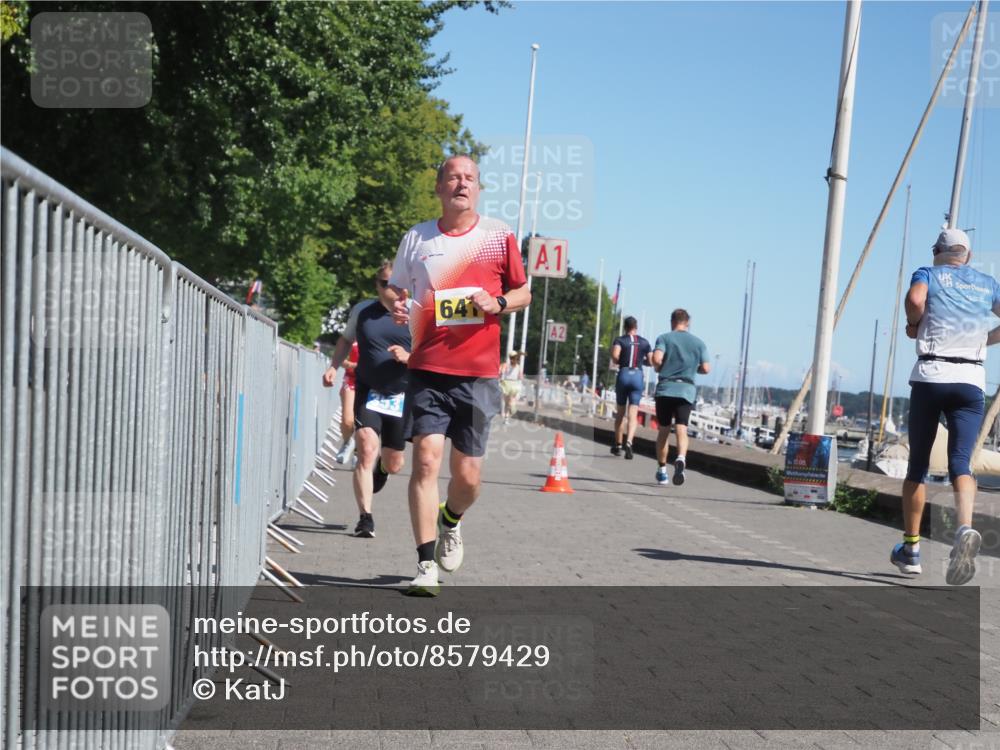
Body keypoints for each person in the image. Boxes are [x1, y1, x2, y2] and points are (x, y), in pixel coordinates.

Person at [390, 154, 531, 596]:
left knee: (468, 477)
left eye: (469, 178)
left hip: (478, 373)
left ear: (479, 188)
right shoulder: (417, 238)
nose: (461, 184)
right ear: (438, 188)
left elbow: (524, 290)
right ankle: (425, 565)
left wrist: (501, 304)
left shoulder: (498, 235)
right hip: (427, 367)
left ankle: (451, 519)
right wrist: (397, 305)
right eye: (453, 177)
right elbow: (398, 289)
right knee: (427, 461)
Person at [890, 228, 1000, 585]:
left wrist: (913, 323)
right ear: (966, 255)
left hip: (931, 375)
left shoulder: (928, 273)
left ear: (938, 252)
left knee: (917, 466)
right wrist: (984, 339)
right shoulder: (988, 283)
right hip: (970, 381)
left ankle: (911, 551)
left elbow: (916, 299)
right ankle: (964, 527)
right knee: (960, 464)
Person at [322, 261, 411, 538]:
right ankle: (365, 518)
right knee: (365, 449)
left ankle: (383, 468)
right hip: (368, 390)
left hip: (402, 395)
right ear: (377, 286)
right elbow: (345, 341)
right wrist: (334, 366)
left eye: (397, 284)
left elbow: (434, 352)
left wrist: (410, 357)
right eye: (385, 284)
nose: (392, 290)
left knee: (394, 463)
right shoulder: (363, 311)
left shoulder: (418, 314)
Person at [651, 309, 710, 486]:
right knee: (681, 428)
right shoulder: (699, 343)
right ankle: (681, 458)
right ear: (688, 323)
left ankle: (662, 471)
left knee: (663, 430)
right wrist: (694, 369)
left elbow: (656, 358)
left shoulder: (664, 338)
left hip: (666, 389)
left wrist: (659, 367)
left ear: (672, 321)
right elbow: (706, 368)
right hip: (686, 390)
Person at [610, 317, 652, 459]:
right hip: (637, 376)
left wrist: (622, 360)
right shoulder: (644, 342)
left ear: (625, 327)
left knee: (620, 413)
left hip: (624, 374)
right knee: (633, 414)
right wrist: (641, 361)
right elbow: (651, 361)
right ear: (636, 327)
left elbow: (615, 356)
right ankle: (629, 442)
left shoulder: (620, 340)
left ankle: (618, 444)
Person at [332, 340, 359, 463]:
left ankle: (359, 454)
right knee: (347, 420)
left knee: (365, 423)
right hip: (351, 380)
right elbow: (340, 358)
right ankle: (348, 441)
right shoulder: (352, 335)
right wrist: (351, 365)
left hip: (373, 382)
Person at [499, 351, 523, 424]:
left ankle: (509, 414)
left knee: (510, 401)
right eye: (513, 358)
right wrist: (501, 378)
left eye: (516, 359)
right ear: (510, 359)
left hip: (514, 385)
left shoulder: (518, 367)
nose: (515, 360)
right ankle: (506, 418)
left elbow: (520, 377)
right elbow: (501, 373)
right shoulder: (506, 365)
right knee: (507, 402)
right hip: (506, 384)